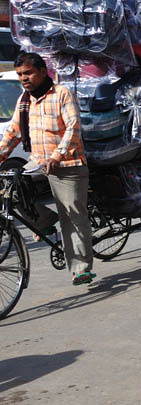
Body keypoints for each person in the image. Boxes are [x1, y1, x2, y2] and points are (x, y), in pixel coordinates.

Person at [0, 51, 92, 285]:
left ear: (42, 71)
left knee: (72, 214)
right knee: (11, 192)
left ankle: (80, 268)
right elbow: (13, 133)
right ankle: (44, 222)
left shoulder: (62, 94)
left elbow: (73, 127)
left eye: (28, 73)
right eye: (20, 74)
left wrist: (57, 156)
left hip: (67, 163)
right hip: (38, 162)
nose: (24, 78)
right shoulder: (24, 101)